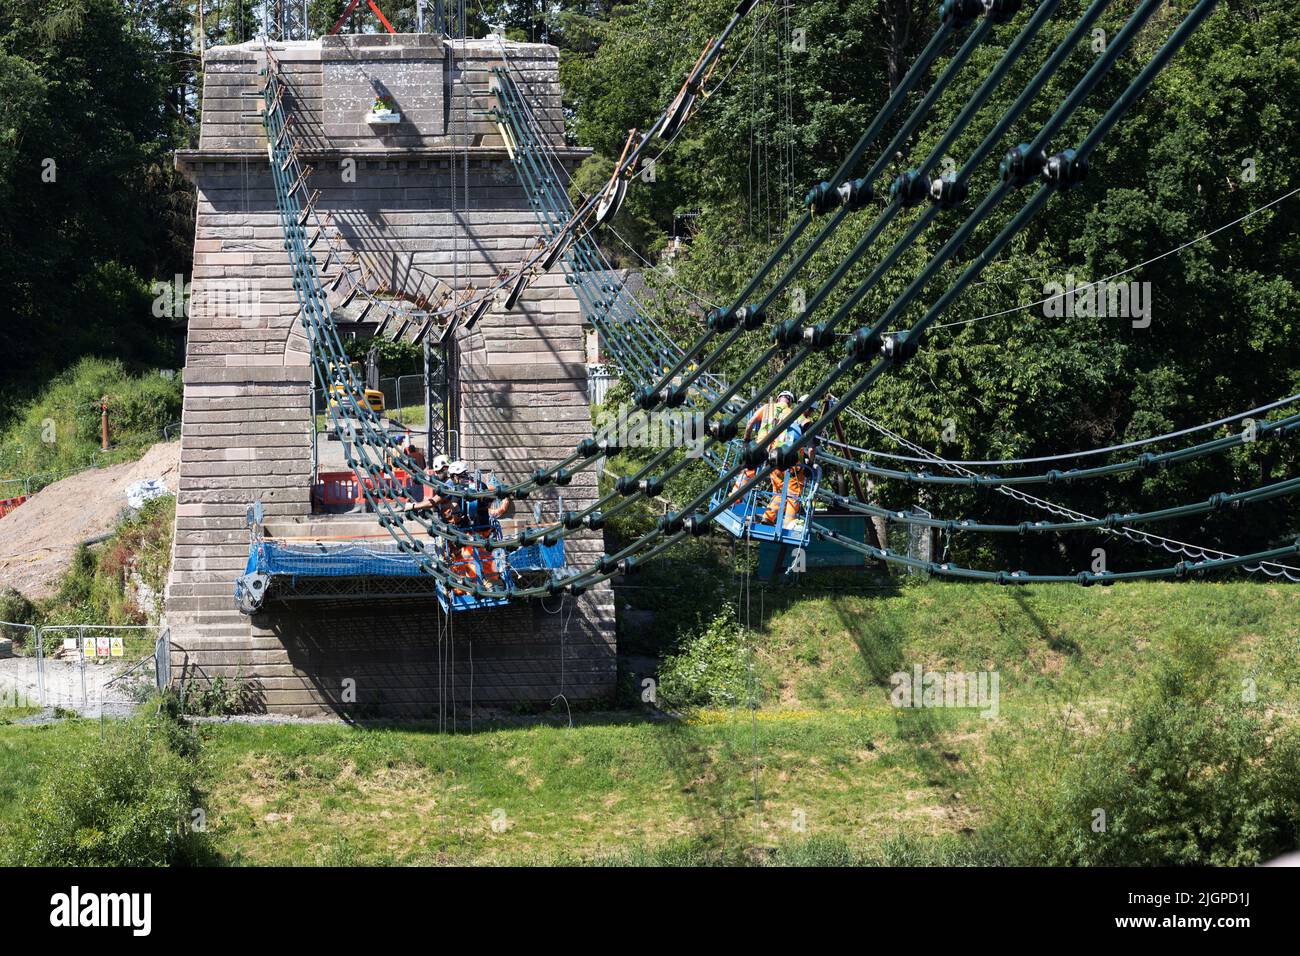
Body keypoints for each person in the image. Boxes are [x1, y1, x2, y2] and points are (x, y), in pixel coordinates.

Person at [742, 389, 804, 528]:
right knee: (786, 490)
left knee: (747, 473)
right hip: (775, 453)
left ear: (779, 398)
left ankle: (735, 500)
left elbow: (751, 422)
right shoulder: (789, 412)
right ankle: (778, 520)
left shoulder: (767, 407)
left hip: (758, 447)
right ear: (790, 401)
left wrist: (746, 439)